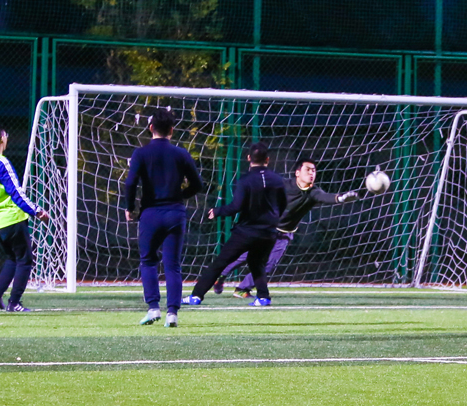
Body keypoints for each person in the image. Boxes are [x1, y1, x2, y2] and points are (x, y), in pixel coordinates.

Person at [212, 157, 359, 302]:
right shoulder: (283, 185)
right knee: (244, 256)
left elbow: (327, 197)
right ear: (297, 173)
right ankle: (220, 275)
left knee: (268, 265)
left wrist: (342, 198)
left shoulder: (314, 192)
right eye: (308, 170)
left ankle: (243, 289)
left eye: (314, 171)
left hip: (285, 234)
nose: (311, 173)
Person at [124, 108, 203, 327]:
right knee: (173, 264)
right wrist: (180, 195)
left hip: (150, 213)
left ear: (151, 128)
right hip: (175, 213)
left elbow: (130, 183)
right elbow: (198, 184)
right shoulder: (181, 153)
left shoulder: (141, 153)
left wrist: (129, 207)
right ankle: (173, 313)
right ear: (172, 130)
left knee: (148, 261)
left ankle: (153, 308)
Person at [182, 142, 287, 307]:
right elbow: (283, 205)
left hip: (246, 232)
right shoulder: (278, 180)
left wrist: (218, 211)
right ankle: (263, 297)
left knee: (220, 263)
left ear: (248, 158)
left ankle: (196, 296)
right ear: (268, 159)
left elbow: (236, 206)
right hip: (268, 233)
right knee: (256, 263)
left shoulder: (245, 180)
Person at [0, 123, 49, 312]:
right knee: (25, 260)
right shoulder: (1, 162)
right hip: (11, 218)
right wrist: (37, 211)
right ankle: (14, 303)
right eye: (5, 135)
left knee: (12, 258)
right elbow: (16, 193)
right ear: (2, 139)